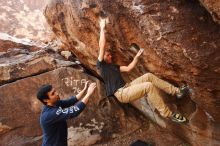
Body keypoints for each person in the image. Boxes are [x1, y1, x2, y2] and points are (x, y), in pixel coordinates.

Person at [97, 18, 189, 123]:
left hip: (127, 87)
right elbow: (102, 46)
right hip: (122, 94)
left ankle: (177, 91)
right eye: (108, 55)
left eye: (110, 54)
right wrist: (102, 28)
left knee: (148, 76)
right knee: (148, 86)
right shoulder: (101, 65)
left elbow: (128, 68)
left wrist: (137, 56)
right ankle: (168, 114)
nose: (110, 56)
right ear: (102, 57)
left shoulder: (113, 67)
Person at [36, 81, 96, 146]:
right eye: (53, 93)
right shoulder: (49, 114)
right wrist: (88, 94)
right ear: (45, 100)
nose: (57, 94)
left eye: (55, 91)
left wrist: (85, 89)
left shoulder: (55, 103)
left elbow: (71, 101)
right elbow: (74, 111)